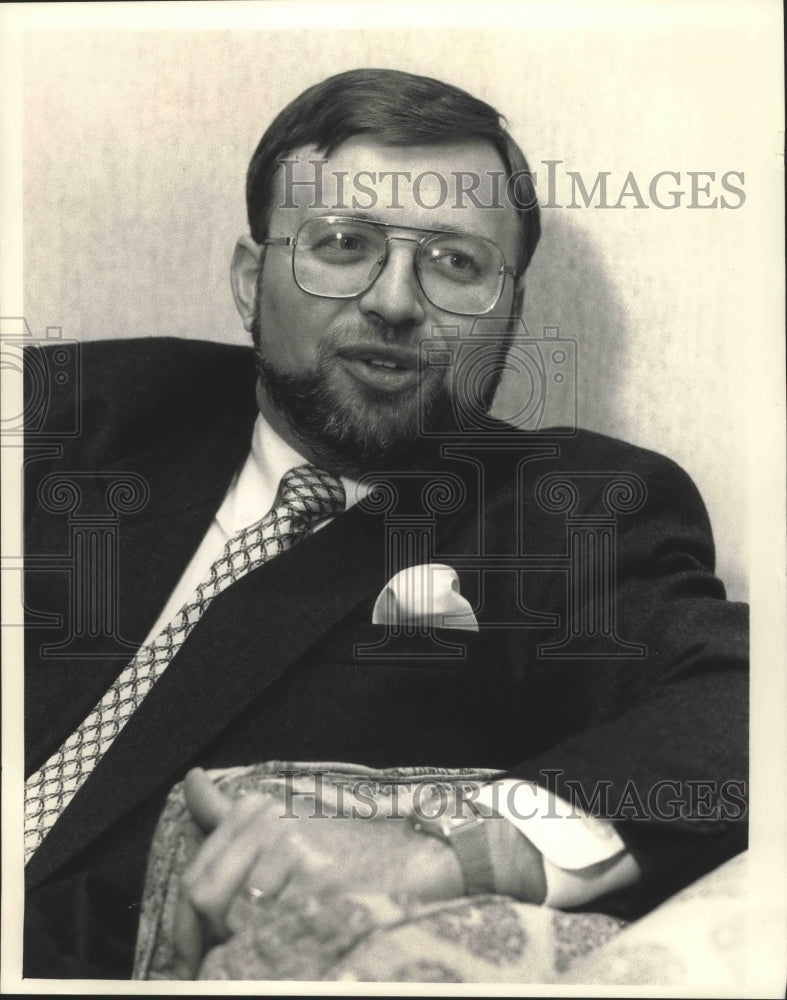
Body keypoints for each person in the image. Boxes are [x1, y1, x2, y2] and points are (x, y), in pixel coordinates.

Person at [22, 68, 748, 979]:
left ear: (509, 311)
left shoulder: (565, 511)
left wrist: (451, 853)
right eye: (342, 243)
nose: (396, 303)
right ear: (251, 281)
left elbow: (745, 709)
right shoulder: (76, 412)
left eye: (454, 263)